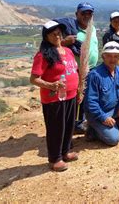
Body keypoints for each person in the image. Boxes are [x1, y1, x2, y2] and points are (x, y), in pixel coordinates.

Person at [30, 21, 79, 171]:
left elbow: (74, 71)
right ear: (46, 36)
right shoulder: (43, 55)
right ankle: (54, 158)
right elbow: (34, 79)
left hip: (71, 95)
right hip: (53, 98)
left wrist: (79, 90)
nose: (57, 35)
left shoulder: (67, 51)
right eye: (53, 33)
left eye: (59, 32)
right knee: (56, 128)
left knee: (68, 126)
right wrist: (51, 85)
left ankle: (65, 152)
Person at [55, 2, 99, 134]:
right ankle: (70, 125)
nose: (86, 16)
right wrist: (64, 42)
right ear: (76, 14)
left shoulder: (93, 29)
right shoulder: (69, 31)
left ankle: (81, 122)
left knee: (86, 97)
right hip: (74, 71)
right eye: (83, 13)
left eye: (89, 13)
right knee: (73, 99)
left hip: (90, 68)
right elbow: (53, 46)